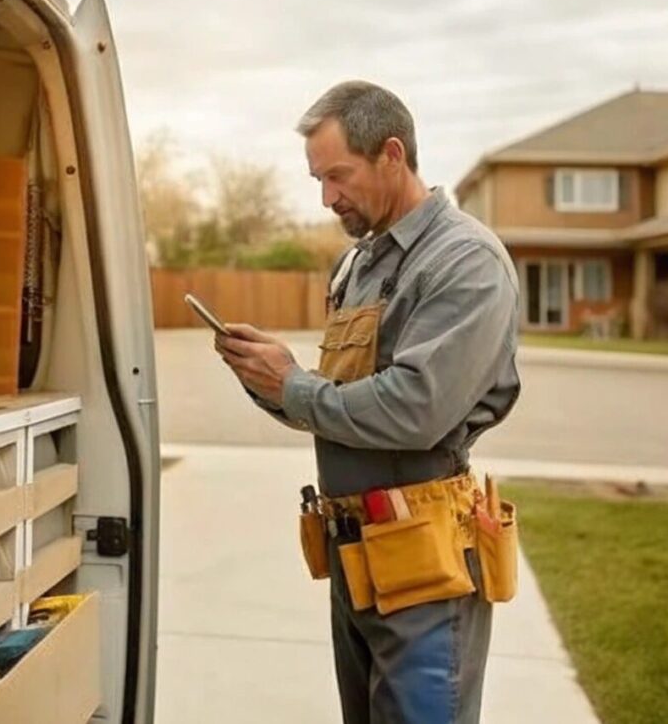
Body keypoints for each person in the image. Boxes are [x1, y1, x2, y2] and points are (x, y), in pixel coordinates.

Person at [215, 80, 521, 724]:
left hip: (423, 563)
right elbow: (341, 403)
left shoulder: (463, 260)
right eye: (318, 179)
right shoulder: (359, 266)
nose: (327, 197)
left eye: (337, 176)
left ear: (391, 154)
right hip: (356, 557)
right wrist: (268, 379)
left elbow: (416, 409)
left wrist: (294, 386)